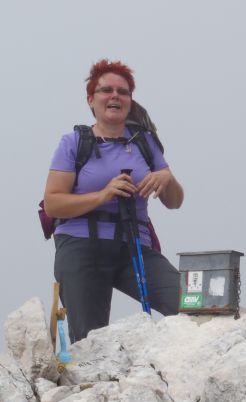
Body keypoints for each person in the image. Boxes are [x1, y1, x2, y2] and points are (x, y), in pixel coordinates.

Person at [43, 59, 184, 343]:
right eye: (106, 90)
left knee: (187, 303)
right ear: (90, 100)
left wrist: (167, 178)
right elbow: (53, 204)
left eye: (123, 91)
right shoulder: (73, 143)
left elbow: (175, 202)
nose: (115, 96)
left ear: (130, 101)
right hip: (81, 246)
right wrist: (103, 195)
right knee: (90, 342)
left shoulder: (145, 142)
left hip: (134, 245)